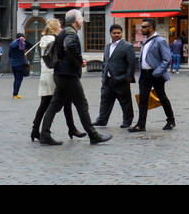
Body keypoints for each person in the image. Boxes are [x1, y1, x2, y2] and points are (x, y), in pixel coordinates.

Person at [39, 10, 110, 145]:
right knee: (82, 104)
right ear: (76, 21)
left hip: (59, 74)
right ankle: (93, 135)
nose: (82, 21)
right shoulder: (71, 33)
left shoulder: (62, 32)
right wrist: (79, 60)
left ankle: (44, 134)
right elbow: (70, 45)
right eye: (81, 19)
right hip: (68, 75)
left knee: (54, 105)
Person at [31, 19, 81, 141]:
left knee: (44, 105)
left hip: (45, 76)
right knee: (60, 103)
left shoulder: (43, 41)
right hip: (54, 76)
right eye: (59, 26)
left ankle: (35, 130)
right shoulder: (55, 40)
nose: (61, 28)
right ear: (55, 28)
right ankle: (68, 129)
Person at [130, 18, 176, 133]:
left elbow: (167, 59)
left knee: (162, 97)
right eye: (141, 26)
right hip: (144, 74)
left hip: (156, 74)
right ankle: (141, 125)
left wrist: (157, 72)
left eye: (144, 27)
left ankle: (171, 120)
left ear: (151, 28)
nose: (141, 29)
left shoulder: (160, 40)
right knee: (143, 99)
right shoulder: (146, 40)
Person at [95, 23, 135, 128]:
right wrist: (103, 75)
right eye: (114, 33)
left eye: (119, 33)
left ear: (122, 33)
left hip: (121, 79)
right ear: (110, 34)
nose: (117, 35)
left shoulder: (127, 46)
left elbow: (131, 65)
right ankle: (102, 120)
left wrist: (127, 77)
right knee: (105, 101)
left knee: (125, 102)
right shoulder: (107, 46)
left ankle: (127, 120)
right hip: (108, 80)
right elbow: (105, 62)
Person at [8, 33, 29, 98]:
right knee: (19, 79)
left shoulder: (12, 44)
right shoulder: (21, 45)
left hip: (13, 64)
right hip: (20, 65)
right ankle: (15, 94)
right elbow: (31, 45)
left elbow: (9, 54)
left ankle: (15, 94)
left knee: (16, 79)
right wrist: (24, 41)